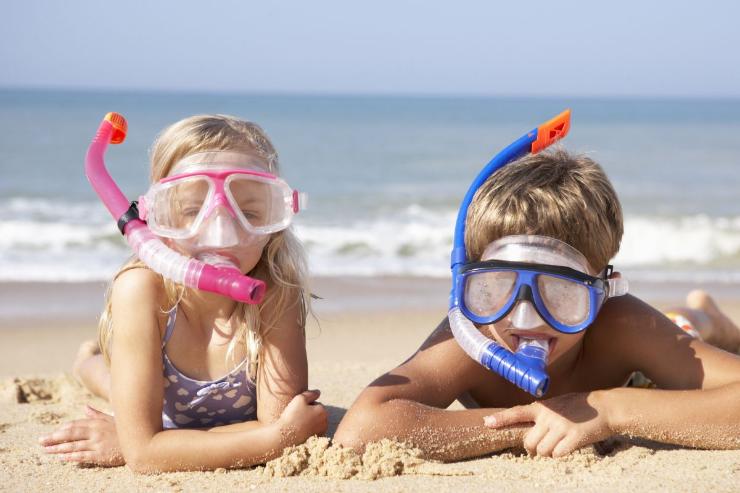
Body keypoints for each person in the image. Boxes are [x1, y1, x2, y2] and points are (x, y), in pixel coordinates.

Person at [334, 148, 740, 461]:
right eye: (497, 286)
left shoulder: (619, 322)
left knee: (684, 326)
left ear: (604, 291)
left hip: (642, 380)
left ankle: (711, 320)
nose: (524, 316)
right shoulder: (473, 334)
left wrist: (610, 409)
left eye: (561, 292)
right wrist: (538, 423)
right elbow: (361, 430)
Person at [39, 115, 328, 472]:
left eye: (250, 212)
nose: (221, 234)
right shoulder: (143, 292)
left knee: (125, 390)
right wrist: (272, 440)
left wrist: (152, 443)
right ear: (156, 216)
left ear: (277, 215)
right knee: (111, 380)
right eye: (193, 211)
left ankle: (95, 365)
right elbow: (146, 455)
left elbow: (278, 421)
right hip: (155, 394)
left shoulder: (274, 295)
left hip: (165, 415)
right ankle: (87, 362)